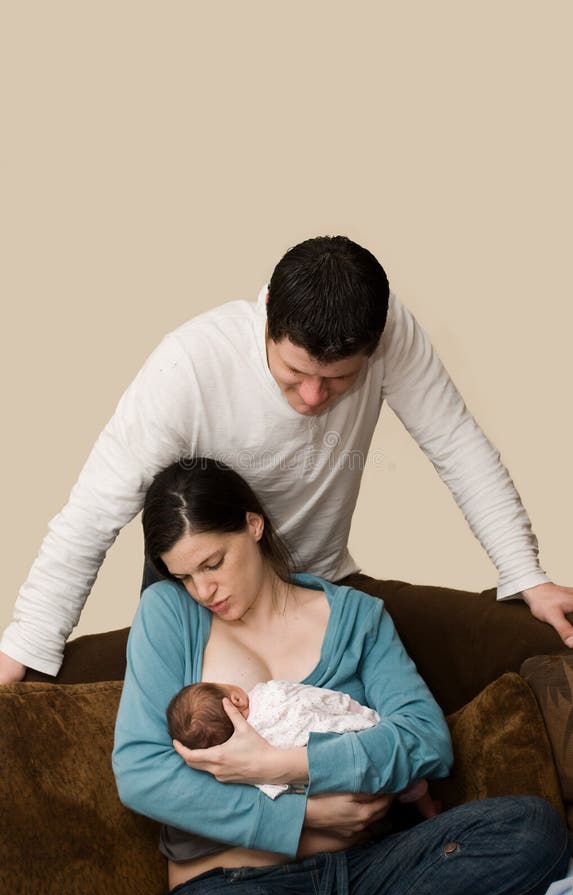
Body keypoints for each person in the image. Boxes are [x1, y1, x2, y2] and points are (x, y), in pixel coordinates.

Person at [3, 235, 573, 684]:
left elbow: (456, 443)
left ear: (375, 344)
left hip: (315, 584)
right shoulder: (190, 367)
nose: (313, 399)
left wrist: (525, 574)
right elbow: (92, 513)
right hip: (202, 596)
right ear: (268, 313)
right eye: (296, 374)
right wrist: (23, 645)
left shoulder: (391, 329)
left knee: (514, 640)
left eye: (339, 380)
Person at [112, 458, 570, 895]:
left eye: (212, 564)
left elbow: (426, 739)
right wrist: (303, 815)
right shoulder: (169, 612)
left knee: (531, 826)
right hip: (234, 882)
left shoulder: (356, 617)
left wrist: (280, 766)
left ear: (253, 525)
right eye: (184, 576)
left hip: (373, 872)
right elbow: (142, 774)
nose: (202, 591)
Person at [166, 678, 439, 816]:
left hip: (335, 795)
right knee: (411, 781)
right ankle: (430, 812)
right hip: (363, 754)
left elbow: (276, 791)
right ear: (235, 699)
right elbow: (313, 698)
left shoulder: (238, 763)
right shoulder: (267, 693)